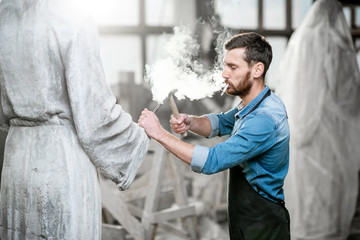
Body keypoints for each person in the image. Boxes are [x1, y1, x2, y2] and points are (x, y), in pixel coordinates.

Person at [0, 0, 149, 239]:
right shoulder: (71, 15)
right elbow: (94, 112)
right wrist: (137, 137)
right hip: (59, 160)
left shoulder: (4, 15)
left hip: (15, 159)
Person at [138, 32, 290, 240]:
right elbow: (221, 122)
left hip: (263, 225)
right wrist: (190, 121)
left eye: (233, 67)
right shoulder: (252, 104)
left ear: (257, 70)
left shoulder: (264, 119)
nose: (224, 74)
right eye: (225, 66)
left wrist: (159, 133)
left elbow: (211, 161)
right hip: (246, 219)